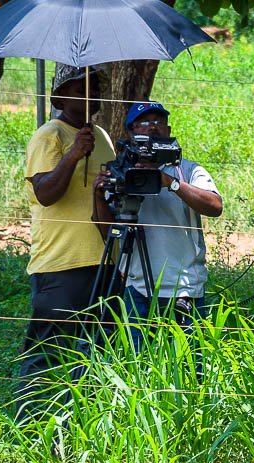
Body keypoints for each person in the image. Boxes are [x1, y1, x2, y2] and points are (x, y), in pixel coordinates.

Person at [17, 64, 115, 417]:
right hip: (61, 262)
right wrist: (73, 154)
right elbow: (45, 194)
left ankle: (81, 425)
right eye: (80, 88)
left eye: (95, 86)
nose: (91, 93)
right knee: (47, 353)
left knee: (95, 353)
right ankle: (29, 426)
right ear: (59, 97)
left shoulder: (101, 136)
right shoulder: (50, 135)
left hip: (103, 261)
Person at [95, 101, 222, 349]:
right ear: (131, 132)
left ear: (168, 129)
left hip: (184, 288)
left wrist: (169, 182)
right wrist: (99, 196)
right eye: (144, 123)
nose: (152, 127)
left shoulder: (187, 169)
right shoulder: (120, 172)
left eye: (158, 122)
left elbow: (214, 206)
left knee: (188, 364)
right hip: (137, 287)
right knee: (137, 362)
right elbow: (107, 231)